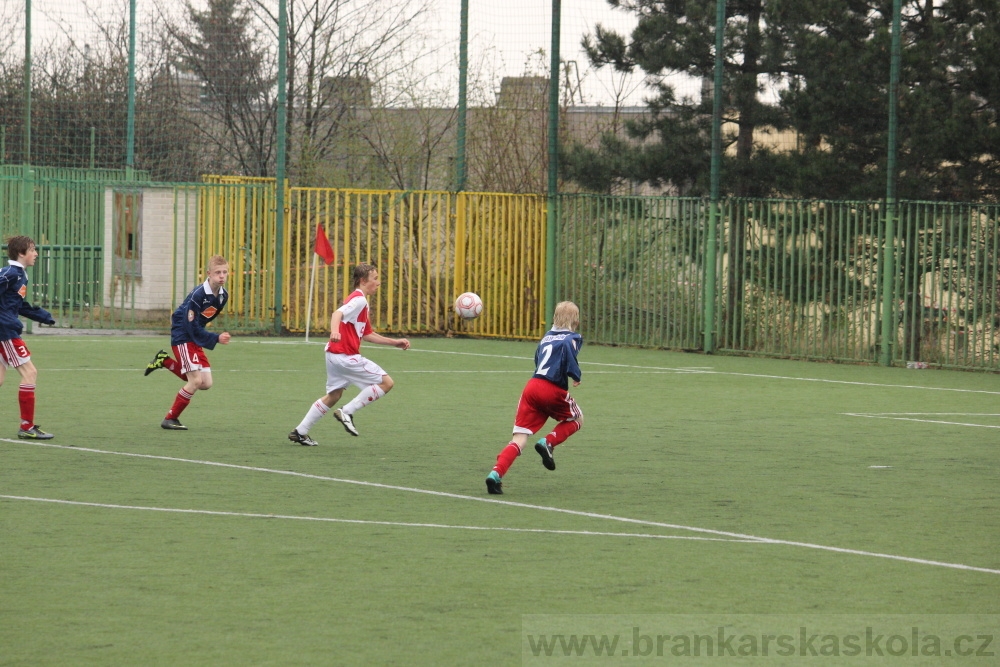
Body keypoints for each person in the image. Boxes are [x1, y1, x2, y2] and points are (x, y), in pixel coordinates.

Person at [288, 263, 410, 446]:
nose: (378, 282)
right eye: (375, 278)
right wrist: (334, 331)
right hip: (345, 356)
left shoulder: (361, 302)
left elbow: (368, 334)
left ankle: (300, 431)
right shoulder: (359, 299)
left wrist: (394, 342)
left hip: (333, 355)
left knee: (334, 395)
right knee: (386, 383)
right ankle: (347, 411)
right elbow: (336, 314)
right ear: (363, 281)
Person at [485, 301, 584, 494]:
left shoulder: (546, 337)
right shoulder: (573, 337)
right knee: (578, 419)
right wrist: (575, 374)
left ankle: (495, 474)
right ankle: (548, 442)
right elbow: (568, 349)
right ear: (575, 320)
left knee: (519, 437)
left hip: (532, 387)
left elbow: (538, 359)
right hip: (552, 388)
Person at [144, 255, 231, 430]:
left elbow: (202, 321)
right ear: (209, 274)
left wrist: (204, 337)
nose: (222, 276)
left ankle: (165, 361)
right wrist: (215, 338)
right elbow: (190, 325)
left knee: (205, 383)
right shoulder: (198, 295)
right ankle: (170, 419)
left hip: (195, 335)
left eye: (225, 272)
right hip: (183, 334)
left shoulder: (223, 296)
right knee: (195, 381)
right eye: (217, 273)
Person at [0, 236, 57, 439]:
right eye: (32, 250)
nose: (36, 254)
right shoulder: (10, 273)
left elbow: (18, 305)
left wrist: (43, 316)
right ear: (21, 253)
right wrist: (7, 321)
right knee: (30, 373)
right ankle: (26, 427)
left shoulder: (19, 275)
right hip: (5, 332)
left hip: (5, 330)